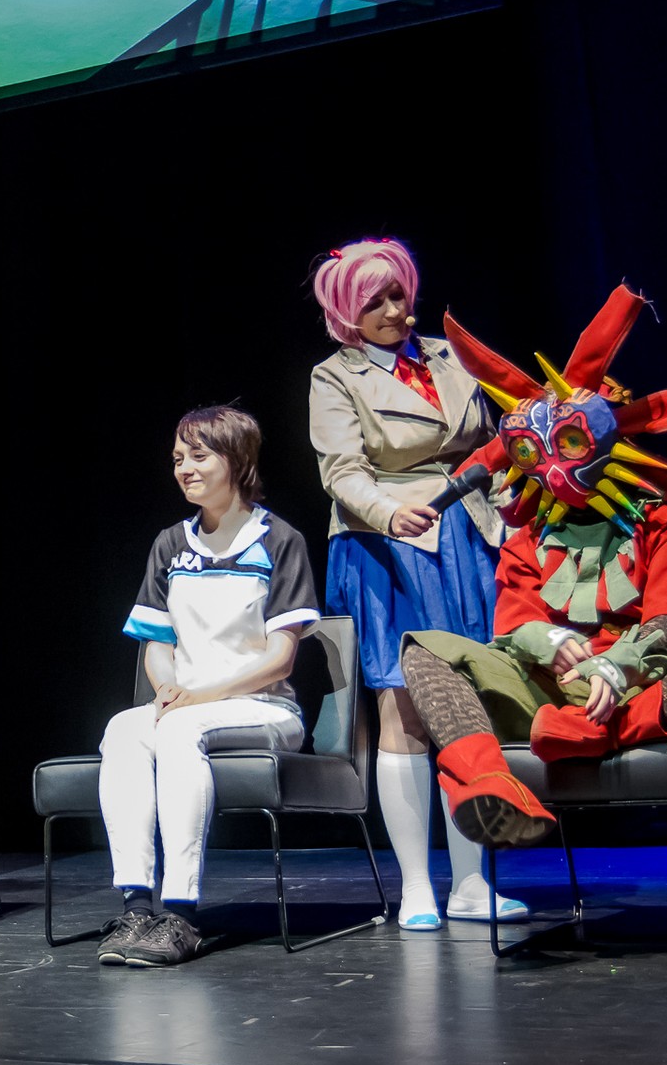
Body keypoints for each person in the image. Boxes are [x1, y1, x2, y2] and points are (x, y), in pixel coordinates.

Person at [399, 286, 667, 850]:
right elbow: (514, 622)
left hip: (650, 685)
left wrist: (620, 668)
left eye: (569, 441)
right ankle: (488, 783)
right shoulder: (529, 537)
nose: (552, 467)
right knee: (424, 650)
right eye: (532, 452)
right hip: (546, 690)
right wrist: (545, 640)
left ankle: (600, 730)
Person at [307, 239, 527, 931]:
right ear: (347, 311)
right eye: (372, 301)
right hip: (390, 545)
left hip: (469, 535)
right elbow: (341, 471)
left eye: (397, 293)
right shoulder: (333, 375)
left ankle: (472, 883)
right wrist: (386, 512)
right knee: (403, 708)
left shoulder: (448, 355)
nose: (391, 309)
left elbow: (494, 442)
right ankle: (416, 888)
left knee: (469, 703)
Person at [95, 406, 320, 969]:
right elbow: (157, 644)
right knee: (122, 729)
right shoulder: (171, 543)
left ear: (237, 460)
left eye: (199, 456)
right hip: (189, 706)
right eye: (178, 458)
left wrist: (200, 698)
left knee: (178, 731)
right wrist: (169, 688)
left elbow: (279, 659)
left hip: (263, 708)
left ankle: (181, 913)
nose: (185, 469)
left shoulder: (279, 540)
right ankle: (136, 906)